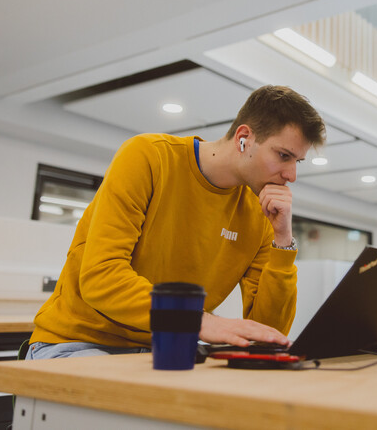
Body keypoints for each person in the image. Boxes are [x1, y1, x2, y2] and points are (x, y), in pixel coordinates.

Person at [27, 85, 326, 359]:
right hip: (78, 343)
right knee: (143, 398)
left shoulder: (260, 213)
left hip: (166, 349)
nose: (291, 175)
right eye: (283, 155)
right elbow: (101, 277)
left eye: (296, 161)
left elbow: (267, 333)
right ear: (243, 138)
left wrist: (283, 241)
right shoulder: (148, 157)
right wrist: (198, 321)